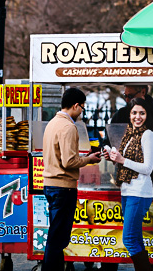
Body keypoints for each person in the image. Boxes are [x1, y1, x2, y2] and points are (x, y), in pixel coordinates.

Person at [42, 87, 101, 270]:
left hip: (51, 185)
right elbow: (69, 161)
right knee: (58, 237)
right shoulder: (68, 127)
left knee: (56, 234)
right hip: (63, 187)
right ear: (76, 105)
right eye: (82, 107)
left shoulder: (52, 123)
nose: (82, 112)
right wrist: (89, 159)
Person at [106, 98, 153, 271]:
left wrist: (122, 159)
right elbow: (125, 161)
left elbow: (147, 168)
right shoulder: (130, 134)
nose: (138, 117)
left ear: (147, 115)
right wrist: (113, 157)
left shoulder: (148, 135)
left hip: (140, 191)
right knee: (135, 238)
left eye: (142, 113)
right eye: (134, 113)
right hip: (128, 190)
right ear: (129, 114)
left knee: (128, 238)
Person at [112, 85, 153, 151]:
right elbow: (110, 141)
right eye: (125, 96)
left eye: (130, 96)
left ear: (143, 92)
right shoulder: (120, 114)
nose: (127, 100)